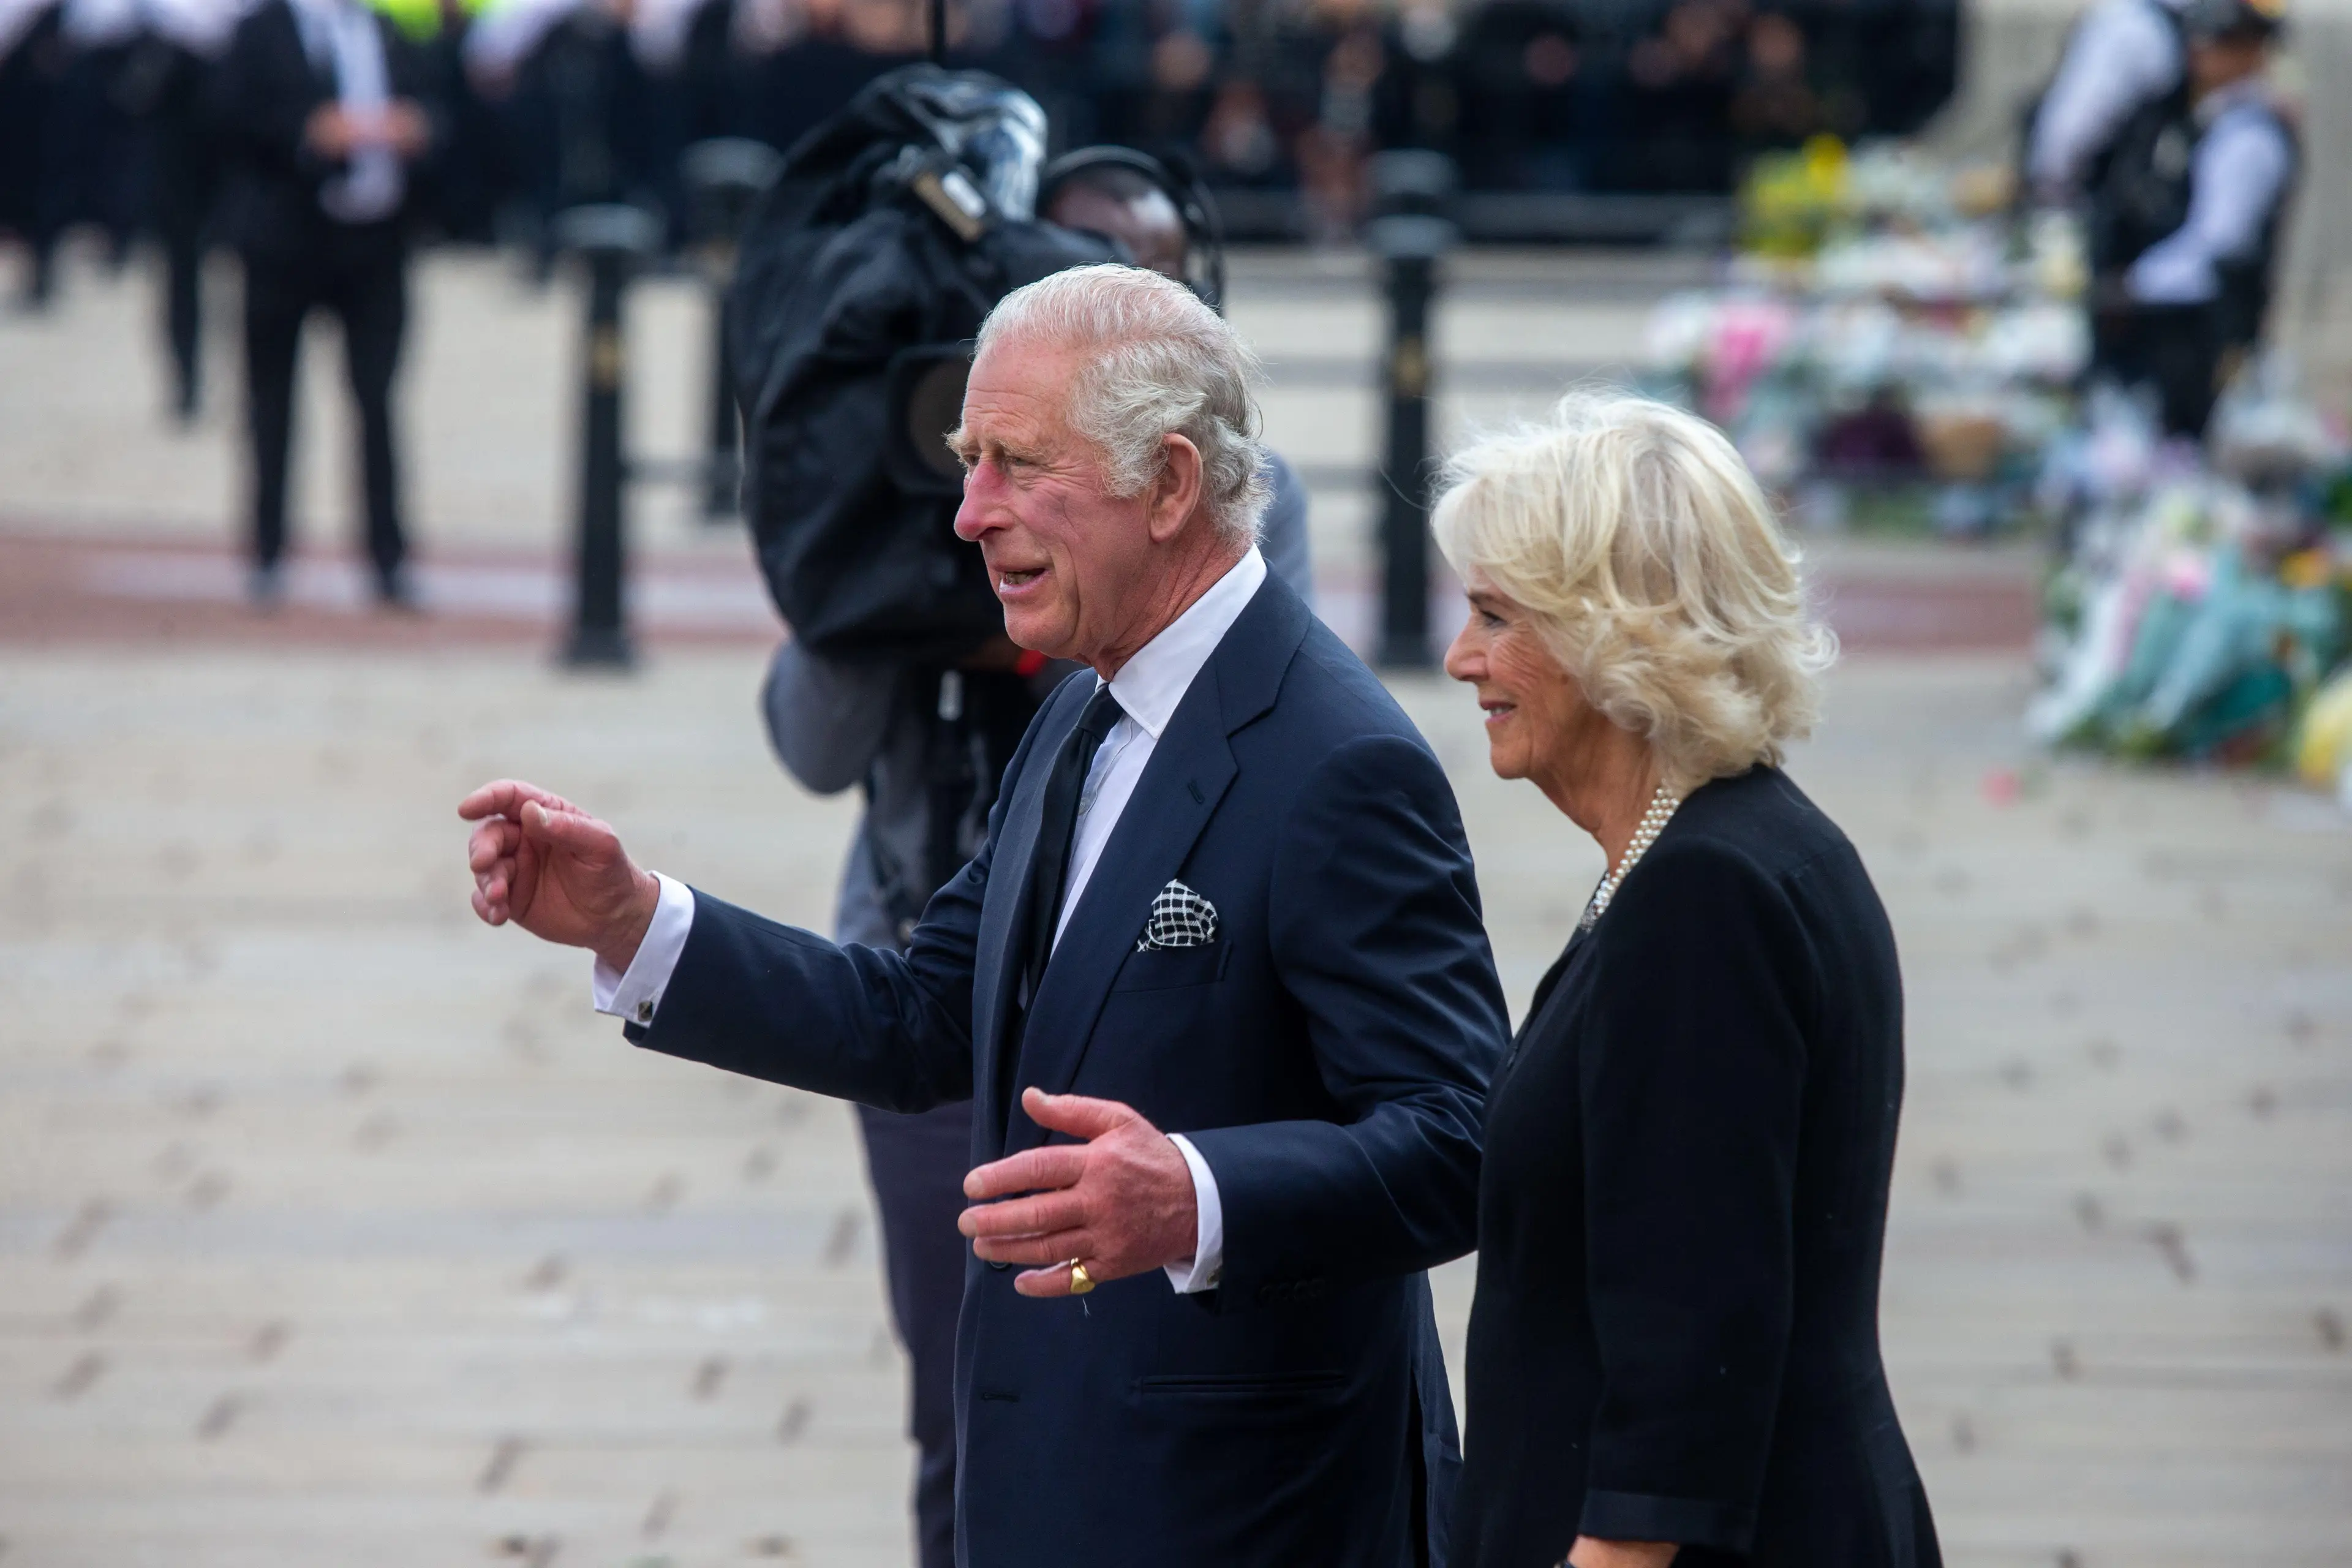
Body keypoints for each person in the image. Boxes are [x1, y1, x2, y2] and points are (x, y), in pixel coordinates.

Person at [461, 263, 1505, 1567]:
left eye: (1018, 462)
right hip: (1052, 1482)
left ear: (1170, 485)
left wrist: (1196, 1192)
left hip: (1243, 1509)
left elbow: (1464, 1136)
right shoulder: (1081, 707)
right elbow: (919, 1016)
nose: (968, 513)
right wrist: (635, 919)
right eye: (968, 458)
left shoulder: (1336, 759)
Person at [760, 162, 1316, 1568]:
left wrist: (1193, 1189)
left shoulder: (1238, 528)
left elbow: (1264, 730)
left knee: (1130, 1395)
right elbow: (816, 754)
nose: (978, 504)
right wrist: (861, 578)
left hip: (1157, 1009)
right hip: (932, 938)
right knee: (972, 1399)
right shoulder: (954, 515)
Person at [1434, 391, 1942, 1568]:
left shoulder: (1703, 899)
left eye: (1498, 618)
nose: (1463, 660)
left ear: (1614, 638)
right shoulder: (1744, 847)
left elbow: (1692, 1335)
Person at [212, 0, 441, 606]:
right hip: (283, 244)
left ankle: (388, 560)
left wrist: (416, 128)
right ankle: (268, 553)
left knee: (377, 402)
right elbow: (223, 119)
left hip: (375, 246)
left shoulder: (386, 31)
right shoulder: (259, 32)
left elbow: (444, 112)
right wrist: (308, 130)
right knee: (272, 405)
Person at [2083, 0, 2294, 438]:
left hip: (2199, 334)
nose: (2201, 53)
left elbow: (2218, 246)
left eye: (2220, 43)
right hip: (2174, 323)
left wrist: (2132, 286)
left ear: (2252, 51)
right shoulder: (2204, 119)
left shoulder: (2248, 136)